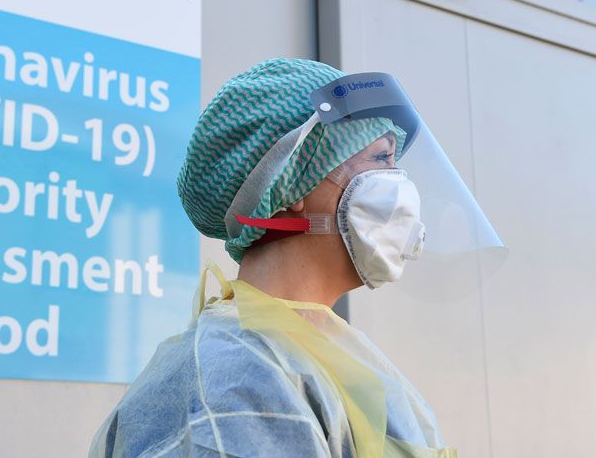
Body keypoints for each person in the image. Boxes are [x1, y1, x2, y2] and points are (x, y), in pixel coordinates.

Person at [89, 58, 502, 457]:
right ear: (290, 183)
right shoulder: (235, 376)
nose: (401, 187)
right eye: (380, 158)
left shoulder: (317, 356)